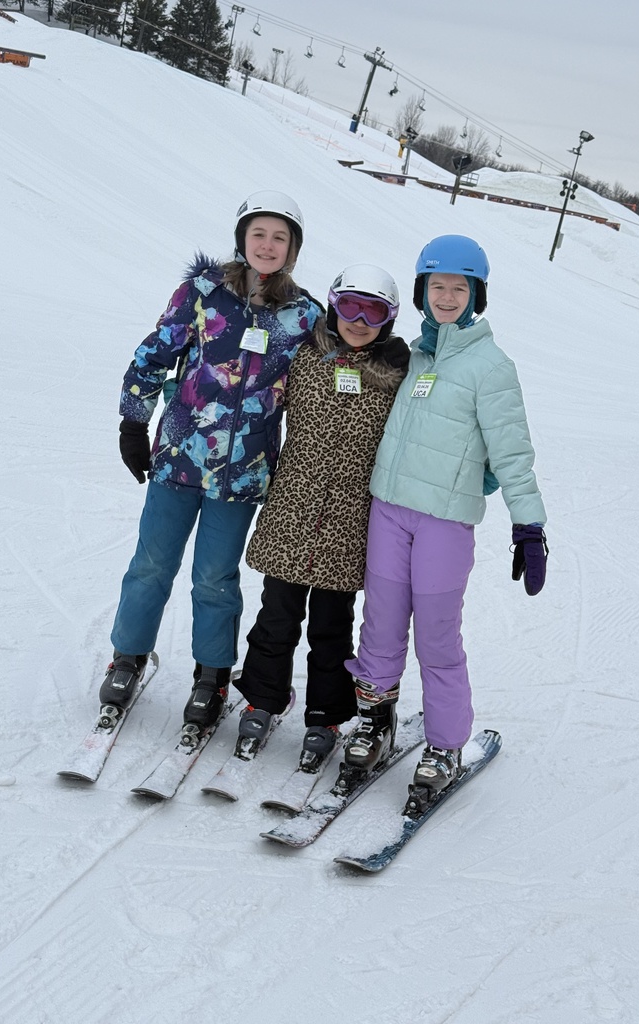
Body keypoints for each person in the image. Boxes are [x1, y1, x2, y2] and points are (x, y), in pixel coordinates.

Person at [98, 191, 322, 727]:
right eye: (259, 233)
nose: (267, 245)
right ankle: (127, 657)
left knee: (216, 577)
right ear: (242, 239)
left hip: (242, 473)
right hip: (178, 460)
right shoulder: (203, 292)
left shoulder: (304, 315)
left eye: (280, 237)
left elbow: (323, 385)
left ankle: (212, 675)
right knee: (151, 565)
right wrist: (134, 423)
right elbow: (154, 354)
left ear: (292, 249)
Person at [343, 234, 549, 803]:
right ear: (422, 292)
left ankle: (445, 744)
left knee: (436, 635)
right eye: (438, 286)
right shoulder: (414, 356)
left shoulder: (491, 366)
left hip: (443, 524)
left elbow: (512, 452)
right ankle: (375, 721)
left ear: (477, 294)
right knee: (380, 625)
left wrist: (529, 525)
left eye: (460, 288)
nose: (448, 297)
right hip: (389, 511)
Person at [230, 265, 410, 763]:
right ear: (333, 306)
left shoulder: (397, 376)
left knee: (332, 626)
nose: (359, 321)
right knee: (276, 615)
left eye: (374, 312)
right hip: (293, 509)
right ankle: (263, 698)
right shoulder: (306, 355)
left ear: (389, 319)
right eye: (350, 306)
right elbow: (255, 392)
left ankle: (327, 713)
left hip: (349, 522)